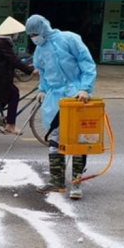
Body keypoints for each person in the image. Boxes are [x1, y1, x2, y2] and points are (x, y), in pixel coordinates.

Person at [26, 14, 97, 200]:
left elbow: (87, 64)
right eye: (30, 35)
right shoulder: (40, 50)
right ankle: (56, 180)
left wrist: (85, 88)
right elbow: (41, 71)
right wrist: (42, 89)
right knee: (56, 138)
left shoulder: (70, 39)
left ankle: (76, 181)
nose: (33, 37)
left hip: (76, 95)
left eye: (34, 33)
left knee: (78, 139)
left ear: (43, 29)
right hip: (54, 98)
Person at [0, 16, 34, 135]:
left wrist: (27, 66)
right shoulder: (2, 43)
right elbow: (13, 60)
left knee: (8, 94)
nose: (16, 36)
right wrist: (30, 70)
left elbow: (11, 59)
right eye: (15, 33)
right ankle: (10, 125)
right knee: (14, 94)